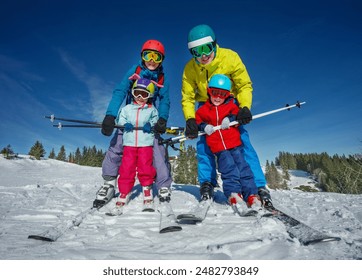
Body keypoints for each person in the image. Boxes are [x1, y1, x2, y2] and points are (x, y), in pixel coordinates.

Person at [181, 24, 272, 207]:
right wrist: (191, 119)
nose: (202, 56)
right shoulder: (190, 68)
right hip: (205, 107)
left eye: (206, 49)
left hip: (229, 105)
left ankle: (258, 185)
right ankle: (207, 182)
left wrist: (244, 107)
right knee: (205, 145)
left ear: (214, 44)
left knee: (241, 143)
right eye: (196, 52)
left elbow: (244, 84)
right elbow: (187, 97)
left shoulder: (230, 57)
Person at [95, 39, 172, 208]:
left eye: (156, 57)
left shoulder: (161, 77)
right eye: (148, 55)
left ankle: (163, 186)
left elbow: (165, 100)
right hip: (130, 119)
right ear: (142, 57)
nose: (151, 60)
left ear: (161, 60)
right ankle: (108, 183)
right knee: (117, 146)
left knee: (157, 151)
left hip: (149, 120)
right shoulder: (135, 71)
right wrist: (111, 116)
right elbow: (121, 91)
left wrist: (162, 119)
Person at [195, 74, 261, 210]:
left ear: (227, 95)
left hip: (235, 145)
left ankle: (251, 194)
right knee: (228, 169)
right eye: (215, 93)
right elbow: (197, 121)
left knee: (243, 168)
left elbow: (237, 115)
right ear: (209, 91)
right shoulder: (203, 110)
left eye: (222, 94)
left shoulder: (231, 106)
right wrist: (203, 126)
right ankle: (234, 194)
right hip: (219, 148)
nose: (218, 97)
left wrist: (230, 119)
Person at [109, 78, 159, 215]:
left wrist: (151, 124)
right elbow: (121, 119)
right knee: (127, 167)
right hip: (130, 143)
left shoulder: (151, 110)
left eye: (144, 94)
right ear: (132, 93)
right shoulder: (127, 109)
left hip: (145, 144)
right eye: (137, 93)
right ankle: (124, 192)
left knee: (145, 166)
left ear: (149, 96)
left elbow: (155, 120)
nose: (140, 97)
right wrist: (125, 124)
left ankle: (147, 189)